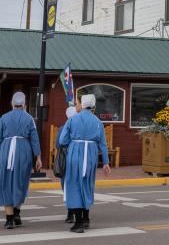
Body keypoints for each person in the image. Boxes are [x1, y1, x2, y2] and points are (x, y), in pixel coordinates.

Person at [58, 93, 111, 233]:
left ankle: (79, 222)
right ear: (93, 106)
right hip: (91, 154)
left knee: (74, 185)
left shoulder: (72, 120)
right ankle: (86, 218)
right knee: (87, 183)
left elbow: (62, 140)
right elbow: (103, 144)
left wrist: (73, 143)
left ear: (82, 105)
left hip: (75, 152)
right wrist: (106, 162)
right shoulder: (98, 122)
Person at [0, 91, 41, 229]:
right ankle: (17, 213)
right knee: (20, 182)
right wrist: (38, 156)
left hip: (6, 151)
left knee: (5, 181)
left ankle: (9, 219)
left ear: (12, 104)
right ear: (24, 104)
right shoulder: (29, 119)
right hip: (23, 151)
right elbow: (34, 139)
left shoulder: (4, 117)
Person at [59, 103, 79, 224]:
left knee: (66, 184)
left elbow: (59, 143)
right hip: (79, 157)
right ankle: (79, 212)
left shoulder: (63, 127)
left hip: (66, 159)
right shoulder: (80, 125)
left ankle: (70, 212)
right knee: (78, 183)